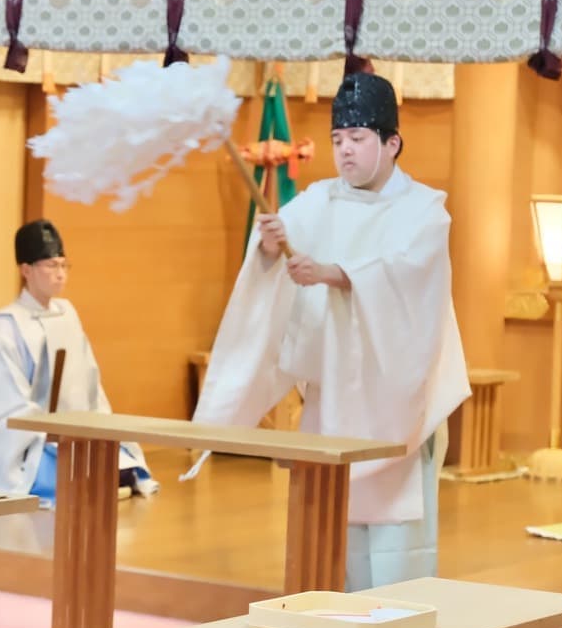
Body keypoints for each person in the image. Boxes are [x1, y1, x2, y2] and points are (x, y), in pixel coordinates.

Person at [191, 72, 469, 590]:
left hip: (398, 400)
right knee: (327, 531)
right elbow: (275, 254)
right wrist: (271, 247)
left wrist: (338, 275)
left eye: (359, 139)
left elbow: (409, 279)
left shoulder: (425, 212)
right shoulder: (320, 200)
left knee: (391, 540)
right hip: (334, 395)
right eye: (339, 140)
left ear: (392, 143)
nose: (345, 152)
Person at [0, 220, 155, 505]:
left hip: (74, 436)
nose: (60, 275)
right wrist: (46, 429)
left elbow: (89, 384)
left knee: (120, 466)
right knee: (77, 477)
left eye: (63, 265)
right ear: (26, 270)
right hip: (32, 444)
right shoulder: (7, 326)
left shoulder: (67, 314)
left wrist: (91, 426)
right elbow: (2, 400)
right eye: (51, 266)